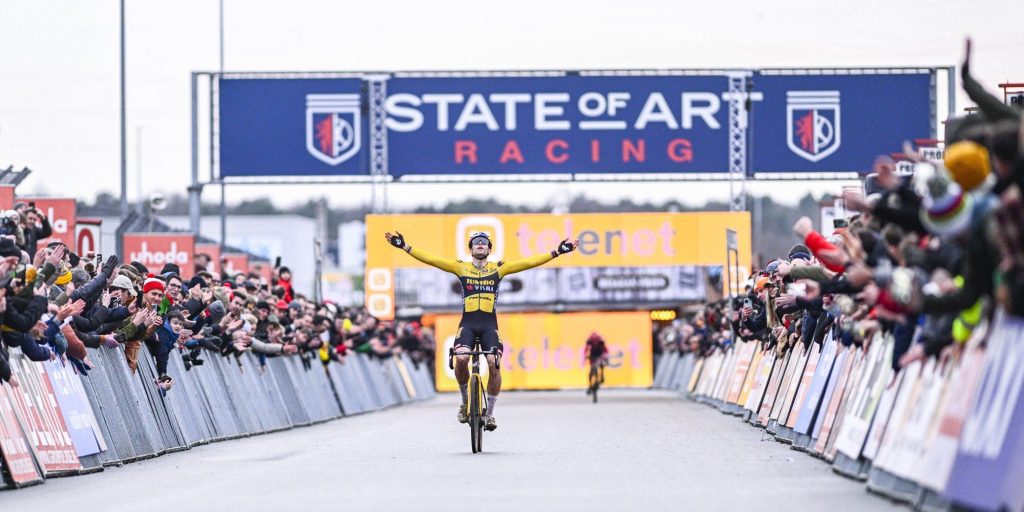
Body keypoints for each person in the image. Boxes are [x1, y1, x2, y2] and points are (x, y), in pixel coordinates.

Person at [384, 230, 578, 431]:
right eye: (475, 242)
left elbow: (528, 263)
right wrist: (405, 247)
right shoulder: (460, 267)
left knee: (494, 364)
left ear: (489, 248)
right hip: (467, 324)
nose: (479, 244)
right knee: (460, 358)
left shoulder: (498, 268)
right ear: (470, 248)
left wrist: (556, 252)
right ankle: (465, 401)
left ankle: (490, 414)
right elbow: (432, 260)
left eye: (484, 242)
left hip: (488, 326)